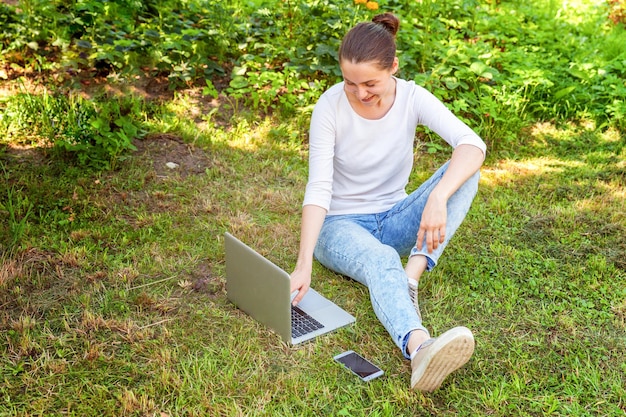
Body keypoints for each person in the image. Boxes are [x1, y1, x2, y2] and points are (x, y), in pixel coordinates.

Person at [289, 12, 486, 392]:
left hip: (393, 217)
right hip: (341, 226)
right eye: (350, 83)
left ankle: (409, 277)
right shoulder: (329, 107)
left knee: (465, 170)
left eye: (370, 83)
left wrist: (438, 198)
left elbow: (472, 145)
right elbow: (318, 188)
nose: (360, 93)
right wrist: (303, 265)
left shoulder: (412, 96)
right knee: (379, 259)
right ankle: (420, 348)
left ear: (393, 67)